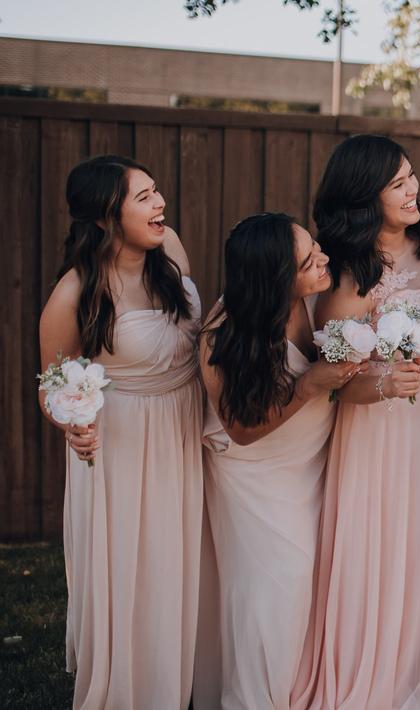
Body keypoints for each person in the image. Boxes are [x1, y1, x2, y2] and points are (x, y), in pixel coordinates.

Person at [290, 134, 420, 709]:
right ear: (365, 197)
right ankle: (382, 671)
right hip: (384, 422)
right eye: (397, 184)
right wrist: (386, 381)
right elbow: (336, 381)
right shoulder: (348, 278)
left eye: (411, 176)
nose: (413, 191)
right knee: (391, 539)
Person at [38, 154, 203, 708]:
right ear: (108, 215)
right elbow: (52, 384)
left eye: (157, 192)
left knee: (179, 562)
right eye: (144, 197)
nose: (160, 205)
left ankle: (178, 680)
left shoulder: (170, 250)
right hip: (122, 444)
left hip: (183, 425)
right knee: (132, 570)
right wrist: (70, 423)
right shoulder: (74, 293)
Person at [196, 213, 359, 709]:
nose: (323, 259)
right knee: (272, 596)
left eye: (315, 247)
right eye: (309, 261)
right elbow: (241, 430)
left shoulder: (316, 299)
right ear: (274, 280)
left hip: (309, 463)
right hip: (256, 479)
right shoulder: (221, 336)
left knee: (307, 594)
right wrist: (308, 385)